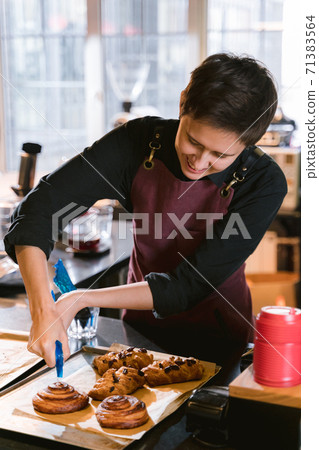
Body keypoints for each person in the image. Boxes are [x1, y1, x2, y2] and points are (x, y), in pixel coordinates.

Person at [4, 53, 287, 366]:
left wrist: (81, 298)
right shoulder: (136, 142)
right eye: (193, 141)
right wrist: (43, 308)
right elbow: (38, 210)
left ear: (249, 144)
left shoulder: (264, 182)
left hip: (219, 341)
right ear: (183, 104)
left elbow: (188, 286)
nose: (200, 161)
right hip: (139, 333)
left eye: (220, 155)